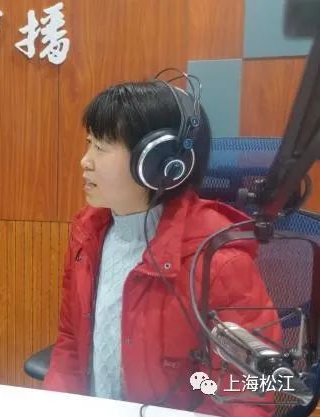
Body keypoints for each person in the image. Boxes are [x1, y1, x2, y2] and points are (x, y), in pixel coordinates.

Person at [43, 75, 280, 416]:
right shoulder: (88, 234)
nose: (85, 160)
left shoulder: (218, 259)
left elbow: (247, 392)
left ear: (156, 162)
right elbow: (70, 342)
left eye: (101, 147)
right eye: (88, 143)